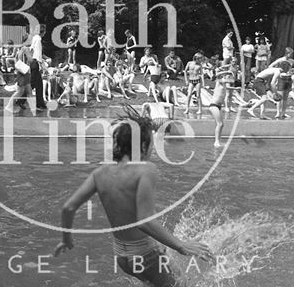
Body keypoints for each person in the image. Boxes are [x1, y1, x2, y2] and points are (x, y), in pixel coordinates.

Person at [54, 109, 213, 286]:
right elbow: (143, 220)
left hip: (123, 258)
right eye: (152, 143)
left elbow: (68, 208)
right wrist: (180, 245)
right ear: (143, 146)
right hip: (146, 257)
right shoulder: (146, 169)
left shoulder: (100, 173)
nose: (153, 148)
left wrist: (66, 240)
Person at [209, 69, 239, 147]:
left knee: (220, 124)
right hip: (214, 105)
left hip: (218, 106)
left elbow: (230, 86)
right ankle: (216, 142)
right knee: (220, 124)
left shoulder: (224, 85)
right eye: (227, 76)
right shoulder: (219, 81)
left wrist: (236, 89)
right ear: (223, 77)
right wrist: (228, 72)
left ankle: (218, 141)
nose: (228, 78)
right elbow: (219, 75)